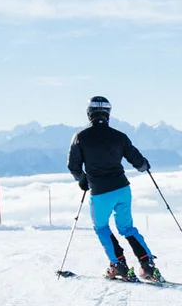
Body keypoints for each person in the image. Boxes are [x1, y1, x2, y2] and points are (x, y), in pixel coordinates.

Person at [67, 96, 165, 283]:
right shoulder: (119, 136)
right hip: (122, 189)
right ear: (108, 113)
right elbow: (138, 161)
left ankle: (119, 265)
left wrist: (82, 181)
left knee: (102, 227)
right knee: (127, 228)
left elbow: (73, 166)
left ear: (89, 114)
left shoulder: (80, 137)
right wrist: (144, 165)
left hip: (100, 193)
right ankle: (148, 266)